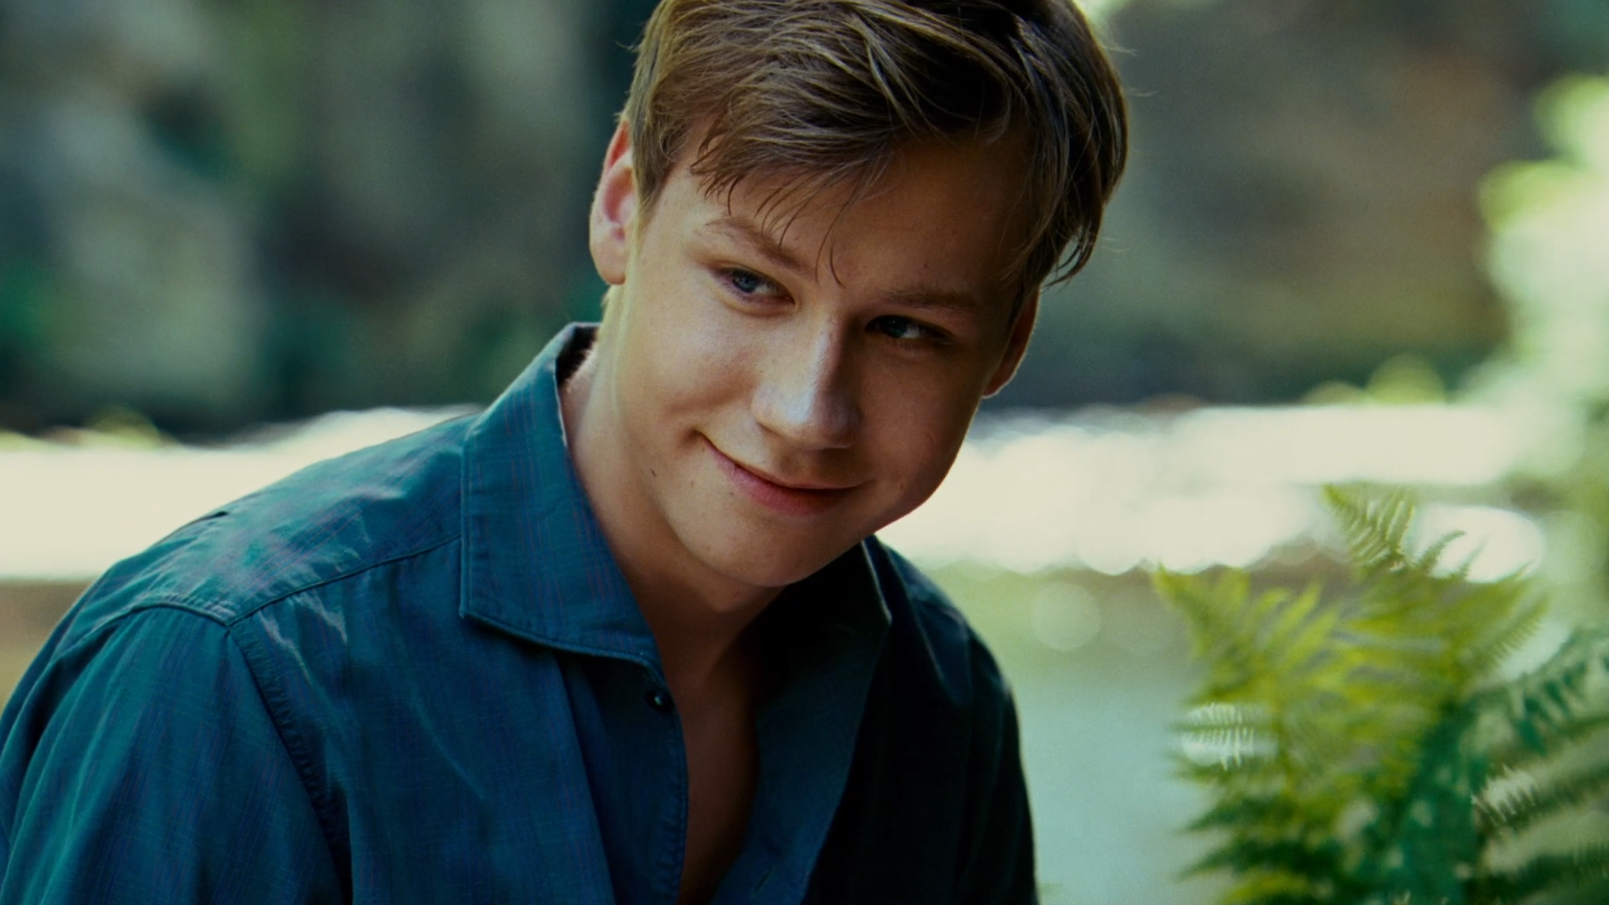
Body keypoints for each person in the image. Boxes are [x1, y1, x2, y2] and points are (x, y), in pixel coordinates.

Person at [0, 0, 1126, 901]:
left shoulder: (941, 703)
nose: (804, 411)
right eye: (750, 283)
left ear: (1007, 342)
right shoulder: (228, 675)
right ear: (622, 205)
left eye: (906, 331)